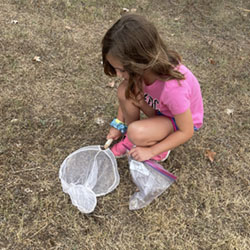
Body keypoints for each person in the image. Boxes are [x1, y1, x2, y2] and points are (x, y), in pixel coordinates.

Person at [102, 14, 203, 162]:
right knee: (124, 90)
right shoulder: (143, 69)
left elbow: (186, 131)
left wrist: (151, 151)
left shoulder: (173, 89)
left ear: (141, 60)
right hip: (161, 110)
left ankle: (158, 147)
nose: (118, 74)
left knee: (136, 132)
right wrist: (118, 123)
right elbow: (126, 95)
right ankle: (132, 138)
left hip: (178, 121)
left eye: (122, 70)